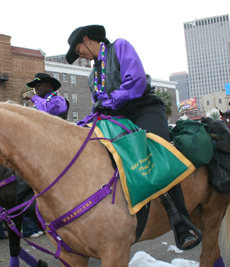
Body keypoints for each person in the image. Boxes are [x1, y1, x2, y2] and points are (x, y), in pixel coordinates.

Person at [65, 24, 200, 250]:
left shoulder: (120, 46)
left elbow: (136, 83)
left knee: (157, 152)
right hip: (116, 115)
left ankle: (182, 223)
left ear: (87, 39)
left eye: (79, 50)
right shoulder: (91, 75)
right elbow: (99, 104)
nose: (80, 56)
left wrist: (108, 102)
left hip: (143, 108)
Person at [21, 73, 69, 237]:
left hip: (57, 150)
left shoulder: (59, 100)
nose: (36, 88)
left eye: (39, 84)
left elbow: (51, 110)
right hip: (38, 150)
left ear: (50, 85)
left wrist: (34, 98)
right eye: (34, 86)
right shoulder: (37, 105)